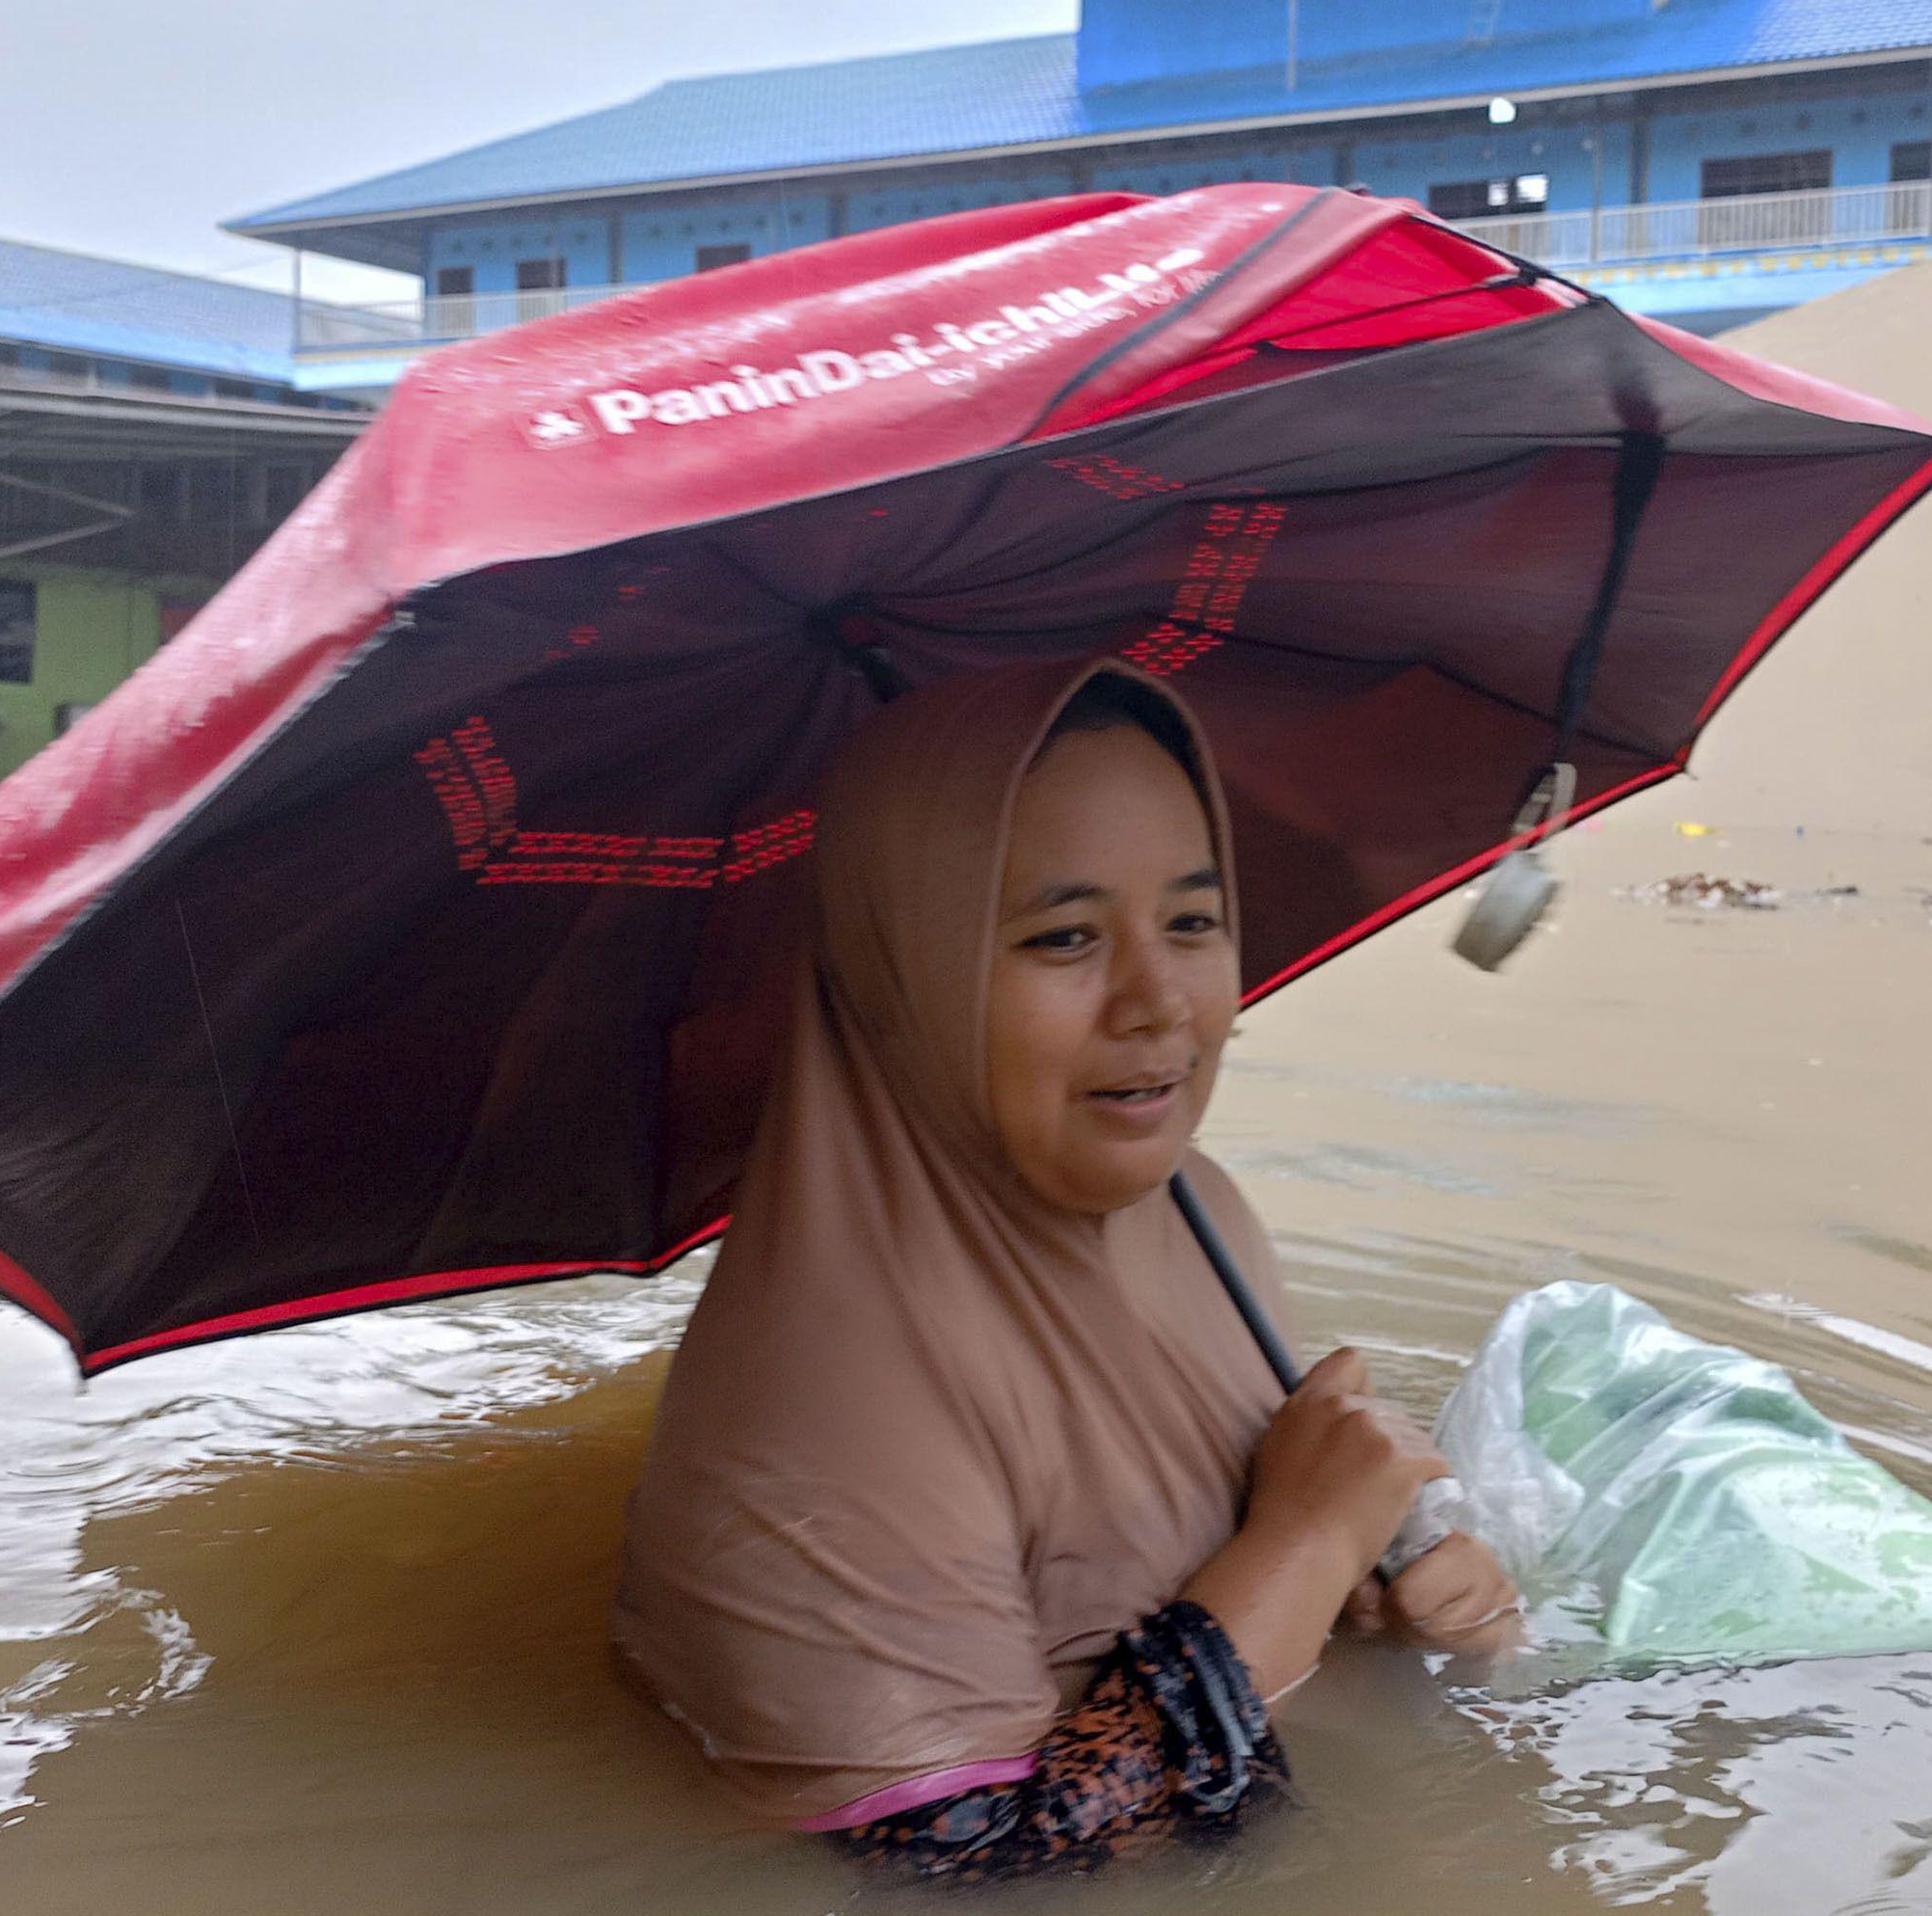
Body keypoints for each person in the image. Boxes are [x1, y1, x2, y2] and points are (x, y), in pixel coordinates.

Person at [614, 657, 1516, 1879]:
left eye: (1191, 921)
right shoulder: (823, 1388)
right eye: (1065, 937)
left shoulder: (1198, 1208)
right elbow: (972, 1872)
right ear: (904, 974)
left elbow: (1251, 1555)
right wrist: (1303, 1546)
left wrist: (1381, 1579)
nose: (1159, 1003)